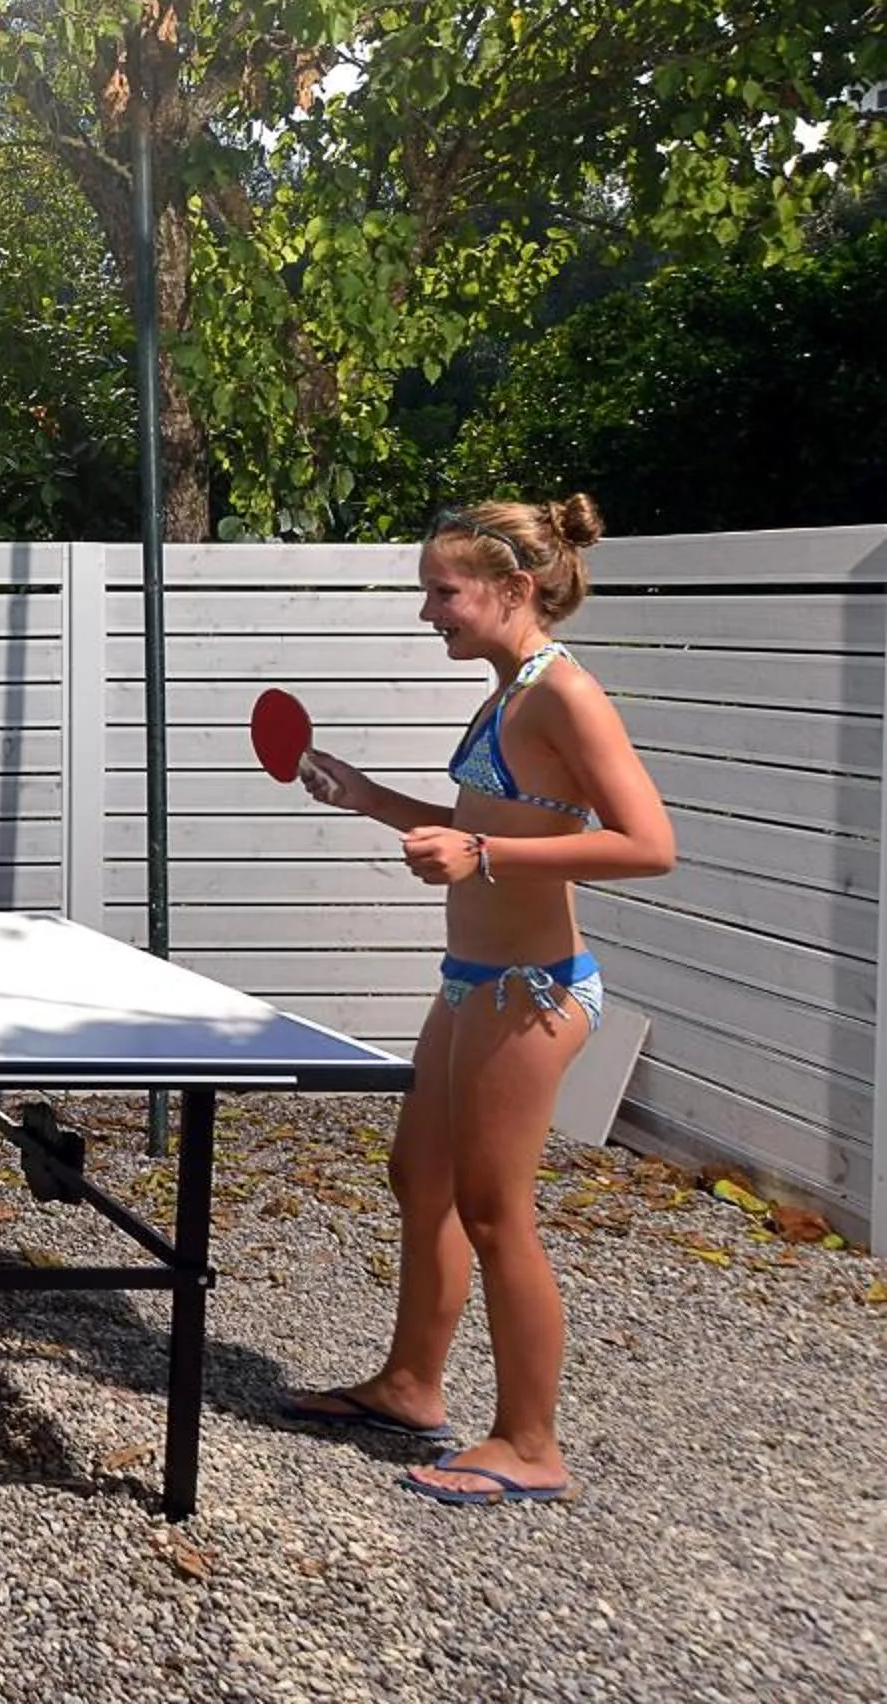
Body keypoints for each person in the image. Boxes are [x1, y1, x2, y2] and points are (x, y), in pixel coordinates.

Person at [272, 494, 675, 1505]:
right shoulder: (509, 690)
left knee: (497, 1213)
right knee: (420, 1177)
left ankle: (531, 1444)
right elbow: (478, 821)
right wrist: (370, 797)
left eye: (442, 592)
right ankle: (412, 1386)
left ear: (513, 588)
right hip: (473, 983)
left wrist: (481, 853)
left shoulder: (564, 694)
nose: (428, 612)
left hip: (531, 992)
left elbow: (648, 844)